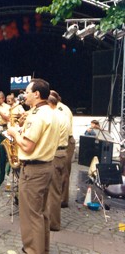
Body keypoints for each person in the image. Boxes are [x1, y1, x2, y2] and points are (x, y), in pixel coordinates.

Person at [7, 78, 59, 254]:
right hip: (45, 166)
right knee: (42, 212)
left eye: (27, 91)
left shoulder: (38, 115)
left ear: (37, 94)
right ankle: (42, 251)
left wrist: (14, 133)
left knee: (31, 214)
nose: (25, 94)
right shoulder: (49, 112)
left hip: (34, 169)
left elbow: (28, 146)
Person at [47, 95, 70, 232]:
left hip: (55, 154)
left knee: (53, 191)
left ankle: (53, 223)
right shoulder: (63, 115)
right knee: (56, 188)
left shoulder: (53, 117)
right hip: (62, 153)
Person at [50, 90, 74, 208]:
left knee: (64, 172)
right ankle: (57, 197)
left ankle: (63, 200)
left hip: (66, 141)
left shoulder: (62, 110)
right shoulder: (55, 109)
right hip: (62, 140)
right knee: (59, 172)